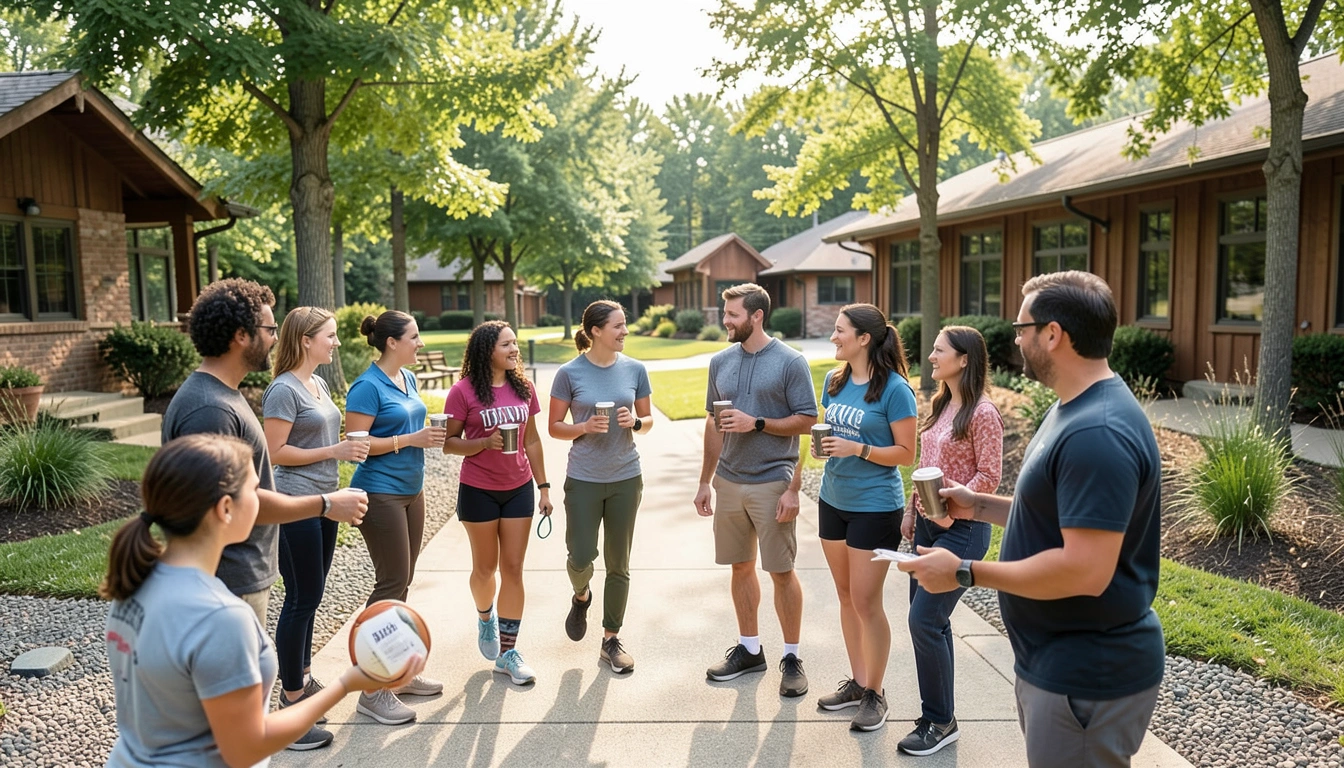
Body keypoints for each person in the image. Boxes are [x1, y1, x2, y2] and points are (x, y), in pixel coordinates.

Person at [899, 271, 1164, 767]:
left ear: (1053, 333)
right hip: (1056, 663)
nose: (1015, 338)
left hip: (1084, 672)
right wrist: (977, 504)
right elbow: (1053, 516)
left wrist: (962, 571)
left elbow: (1085, 569)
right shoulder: (1073, 408)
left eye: (1021, 327)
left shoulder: (1097, 432)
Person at [102, 434, 423, 768]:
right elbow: (246, 747)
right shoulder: (220, 618)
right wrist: (349, 683)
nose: (263, 499)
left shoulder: (134, 584)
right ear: (225, 509)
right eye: (254, 491)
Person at [693, 282, 818, 697]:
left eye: (732, 315)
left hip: (772, 479)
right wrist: (704, 481)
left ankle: (793, 657)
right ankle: (749, 650)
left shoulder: (790, 362)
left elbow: (807, 421)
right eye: (724, 313)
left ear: (756, 315)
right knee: (740, 567)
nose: (724, 321)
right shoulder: (720, 361)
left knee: (781, 571)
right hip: (729, 480)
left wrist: (759, 424)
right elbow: (714, 422)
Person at [261, 306, 370, 750]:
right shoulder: (282, 390)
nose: (336, 342)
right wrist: (337, 451)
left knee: (313, 594)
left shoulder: (318, 383)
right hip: (295, 502)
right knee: (301, 598)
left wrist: (338, 451)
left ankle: (302, 682)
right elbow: (275, 452)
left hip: (325, 502)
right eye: (330, 335)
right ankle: (291, 706)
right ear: (305, 340)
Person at [895, 326, 1003, 754]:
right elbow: (925, 464)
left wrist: (951, 509)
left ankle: (939, 721)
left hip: (962, 530)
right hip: (926, 526)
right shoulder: (941, 404)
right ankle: (939, 715)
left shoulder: (982, 413)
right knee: (929, 622)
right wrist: (911, 510)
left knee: (924, 621)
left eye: (939, 351)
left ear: (963, 359)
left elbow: (990, 477)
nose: (931, 357)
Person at [812, 303, 917, 732]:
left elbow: (907, 454)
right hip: (832, 499)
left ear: (863, 339)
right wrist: (825, 449)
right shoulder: (833, 382)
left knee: (867, 602)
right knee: (844, 595)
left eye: (839, 331)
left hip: (875, 506)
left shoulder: (895, 390)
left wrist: (858, 449)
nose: (833, 337)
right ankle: (857, 682)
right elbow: (826, 435)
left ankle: (876, 693)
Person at [344, 310, 448, 725]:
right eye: (414, 337)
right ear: (392, 342)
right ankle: (371, 688)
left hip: (412, 490)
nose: (420, 343)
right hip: (379, 492)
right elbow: (357, 444)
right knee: (389, 584)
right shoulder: (366, 387)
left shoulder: (408, 378)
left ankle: (397, 673)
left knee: (402, 582)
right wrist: (411, 439)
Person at [443, 320, 552, 686]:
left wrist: (544, 486)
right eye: (507, 344)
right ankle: (485, 616)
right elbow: (449, 442)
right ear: (487, 349)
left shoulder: (524, 388)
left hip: (519, 486)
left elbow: (532, 440)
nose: (514, 350)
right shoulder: (462, 392)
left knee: (514, 568)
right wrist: (482, 443)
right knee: (485, 569)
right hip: (478, 489)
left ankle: (508, 652)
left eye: (515, 343)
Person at [548, 300, 653, 674]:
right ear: (595, 332)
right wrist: (583, 427)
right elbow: (554, 427)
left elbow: (649, 418)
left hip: (626, 475)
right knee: (579, 556)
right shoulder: (568, 373)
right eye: (618, 326)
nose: (625, 331)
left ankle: (611, 639)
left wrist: (635, 422)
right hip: (584, 477)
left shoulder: (636, 369)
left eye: (625, 325)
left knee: (619, 564)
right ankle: (581, 595)